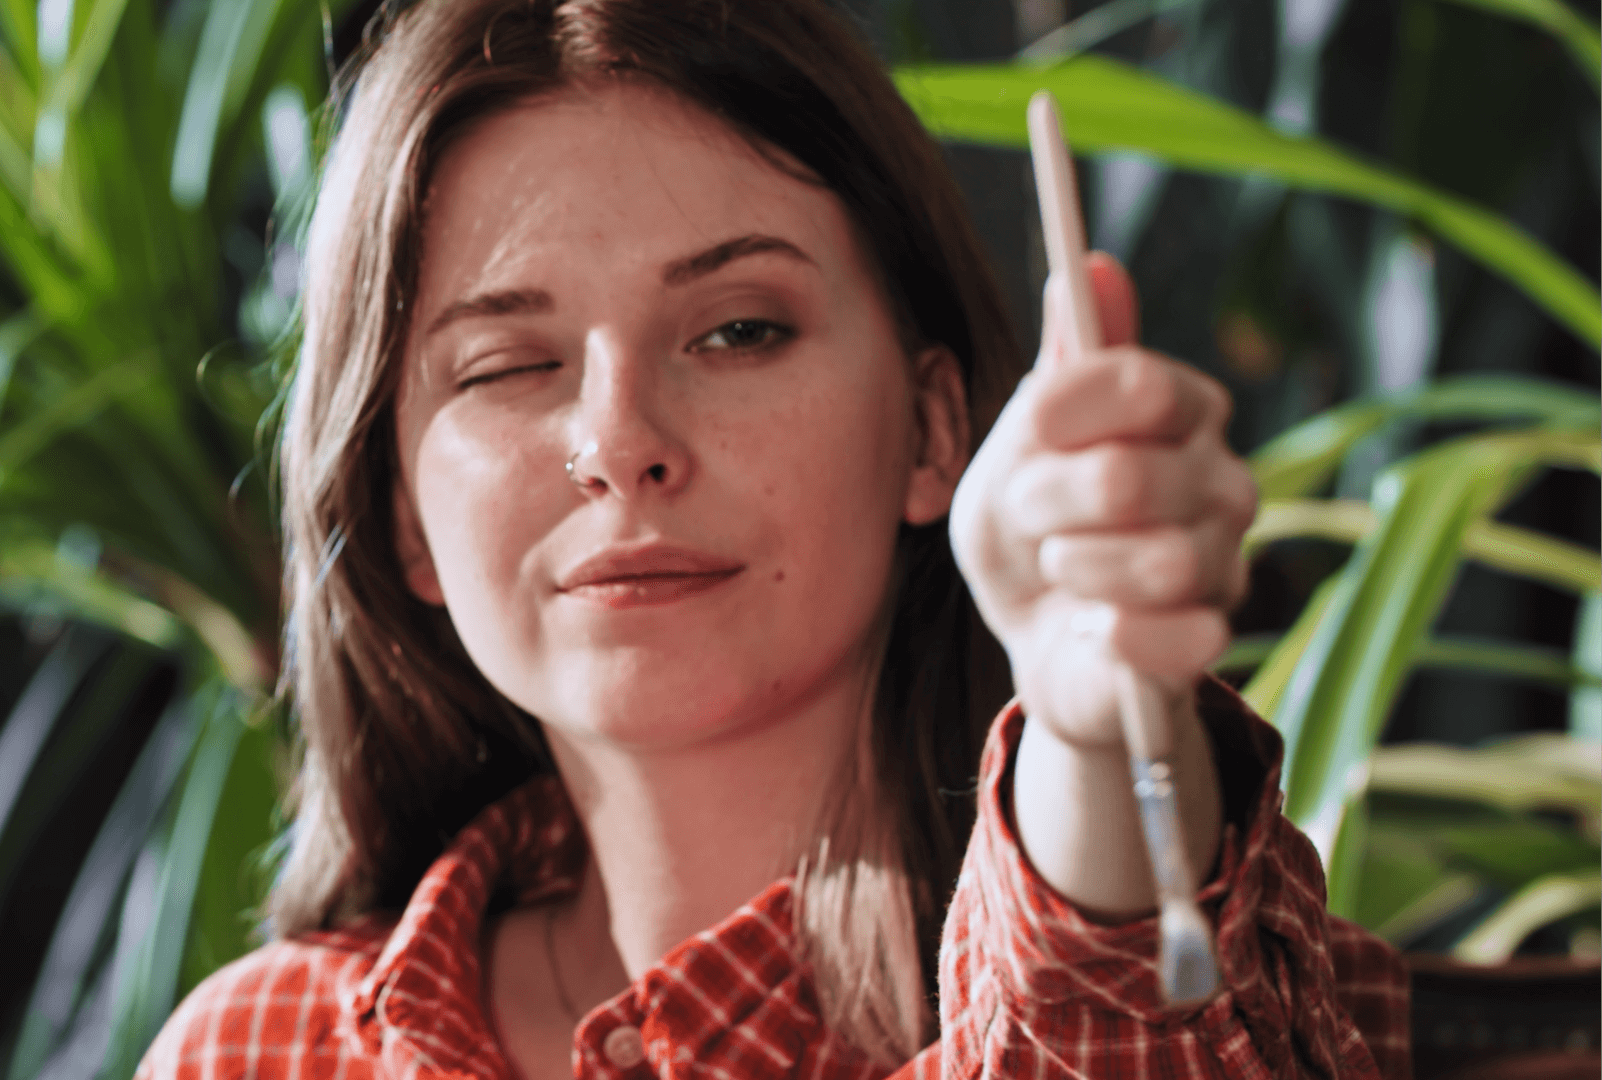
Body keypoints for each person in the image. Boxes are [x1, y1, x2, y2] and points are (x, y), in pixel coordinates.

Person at [136, 0, 1410, 1076]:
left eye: (740, 329)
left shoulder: (1259, 992)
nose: (620, 439)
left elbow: (1114, 1014)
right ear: (406, 515)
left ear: (931, 430)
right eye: (510, 363)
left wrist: (1086, 739)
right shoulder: (261, 1045)